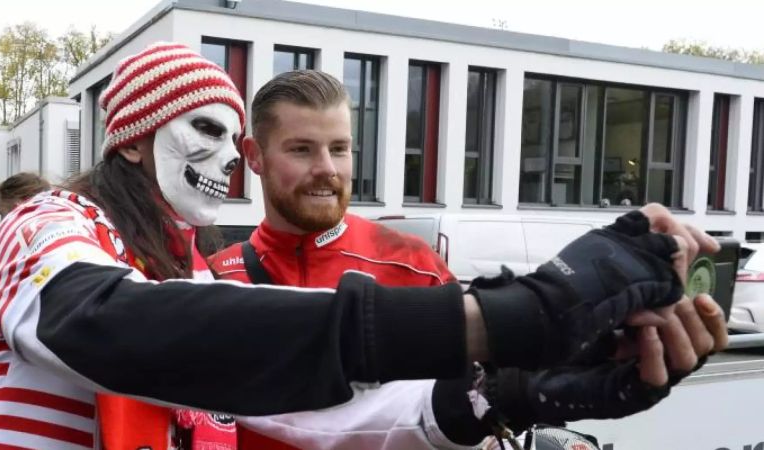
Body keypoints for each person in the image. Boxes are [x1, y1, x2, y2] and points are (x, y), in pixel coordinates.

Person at [0, 42, 710, 449]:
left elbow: (326, 415)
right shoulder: (49, 222)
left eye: (230, 136)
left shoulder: (179, 275)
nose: (226, 160)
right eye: (203, 132)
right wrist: (518, 312)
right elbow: (105, 325)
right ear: (136, 143)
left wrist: (516, 390)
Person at [209, 70, 728, 449]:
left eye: (340, 149)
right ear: (253, 155)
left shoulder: (411, 263)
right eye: (302, 149)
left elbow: (475, 407)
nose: (327, 169)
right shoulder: (213, 280)